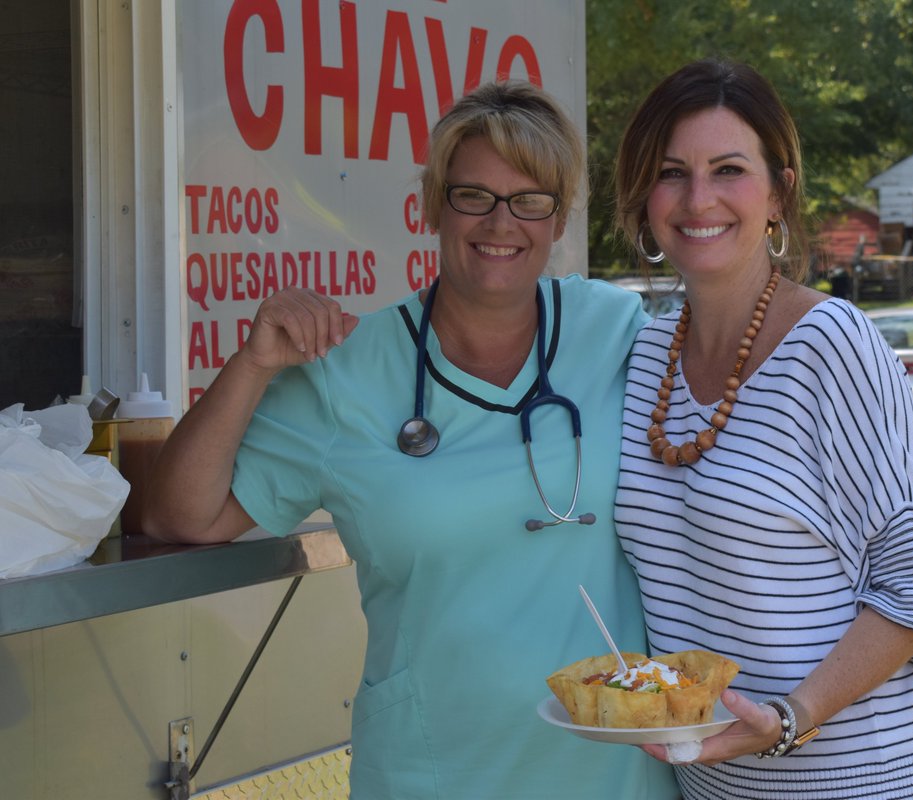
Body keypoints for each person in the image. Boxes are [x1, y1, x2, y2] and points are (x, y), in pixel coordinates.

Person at [144, 81, 677, 800]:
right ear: (432, 204)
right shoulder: (344, 373)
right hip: (434, 771)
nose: (501, 222)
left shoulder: (614, 330)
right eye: (473, 196)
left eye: (530, 200)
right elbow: (182, 516)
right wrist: (251, 365)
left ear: (557, 220)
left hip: (609, 772)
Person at [611, 58, 913, 799]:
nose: (699, 197)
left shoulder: (831, 343)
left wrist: (788, 718)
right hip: (716, 787)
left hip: (864, 780)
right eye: (672, 171)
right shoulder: (644, 353)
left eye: (729, 169)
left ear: (778, 192)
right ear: (645, 196)